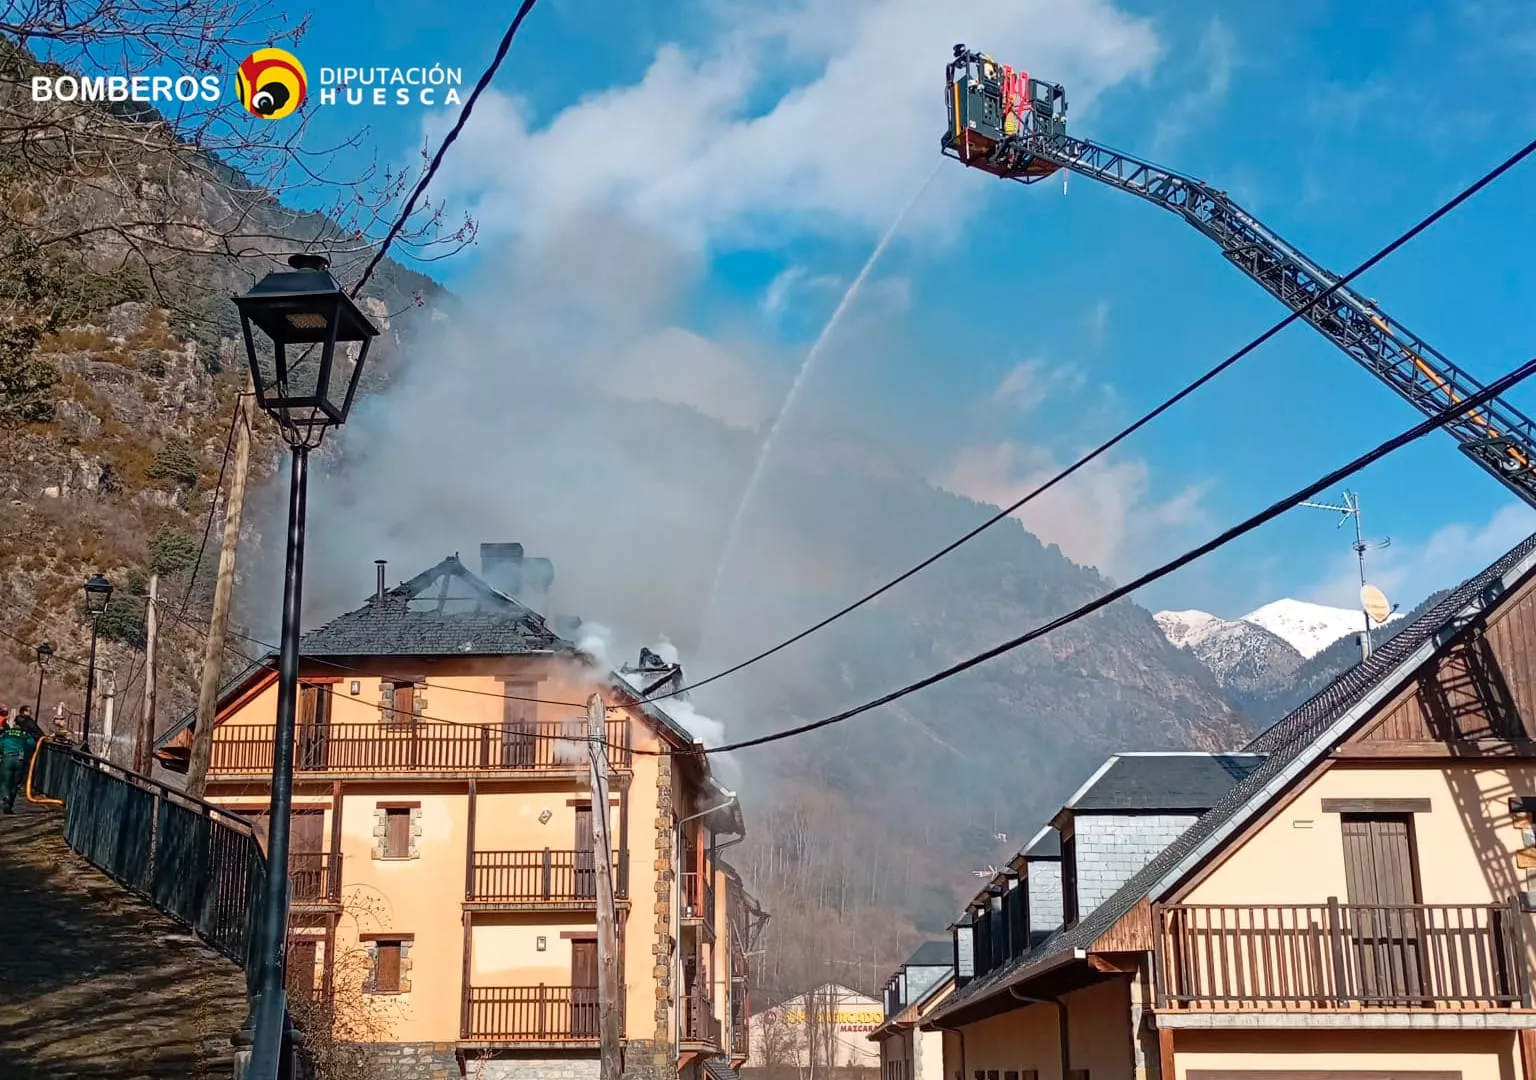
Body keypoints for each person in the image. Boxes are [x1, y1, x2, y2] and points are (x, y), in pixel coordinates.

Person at [0, 711, 35, 813]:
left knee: (5, 783)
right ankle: (10, 804)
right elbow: (32, 745)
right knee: (15, 784)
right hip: (19, 760)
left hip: (7, 759)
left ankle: (5, 798)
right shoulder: (25, 735)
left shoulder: (6, 734)